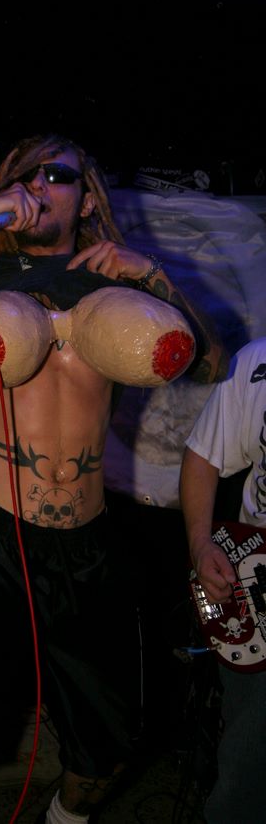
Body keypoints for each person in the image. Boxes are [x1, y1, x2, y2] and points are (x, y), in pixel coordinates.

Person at [0, 133, 226, 824]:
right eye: (25, 175)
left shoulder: (114, 280)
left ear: (87, 200)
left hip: (88, 545)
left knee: (107, 753)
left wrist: (149, 272)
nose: (40, 186)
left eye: (58, 176)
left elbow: (209, 365)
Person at [180, 337, 266, 824]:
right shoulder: (257, 361)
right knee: (247, 773)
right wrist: (201, 545)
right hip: (259, 594)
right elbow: (203, 457)